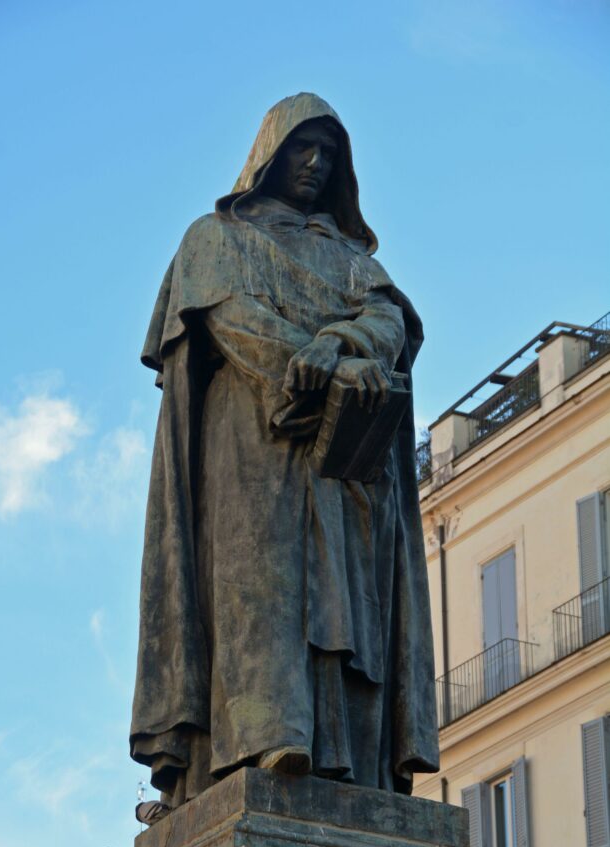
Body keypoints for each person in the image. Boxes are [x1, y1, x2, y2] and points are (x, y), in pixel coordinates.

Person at [130, 93, 439, 809]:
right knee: (258, 590)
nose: (314, 163)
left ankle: (353, 762)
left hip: (346, 459)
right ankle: (262, 741)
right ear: (269, 155)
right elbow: (233, 320)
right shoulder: (215, 238)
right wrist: (322, 360)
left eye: (328, 154)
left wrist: (348, 343)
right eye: (303, 148)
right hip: (254, 440)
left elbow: (388, 320)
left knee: (351, 605)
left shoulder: (348, 257)